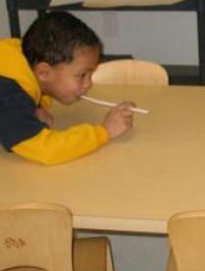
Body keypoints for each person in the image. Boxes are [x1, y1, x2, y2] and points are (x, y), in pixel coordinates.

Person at [0, 12, 135, 165]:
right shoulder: (9, 96)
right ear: (44, 72)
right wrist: (104, 131)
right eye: (82, 75)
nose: (89, 84)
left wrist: (36, 106)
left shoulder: (18, 57)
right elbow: (46, 150)